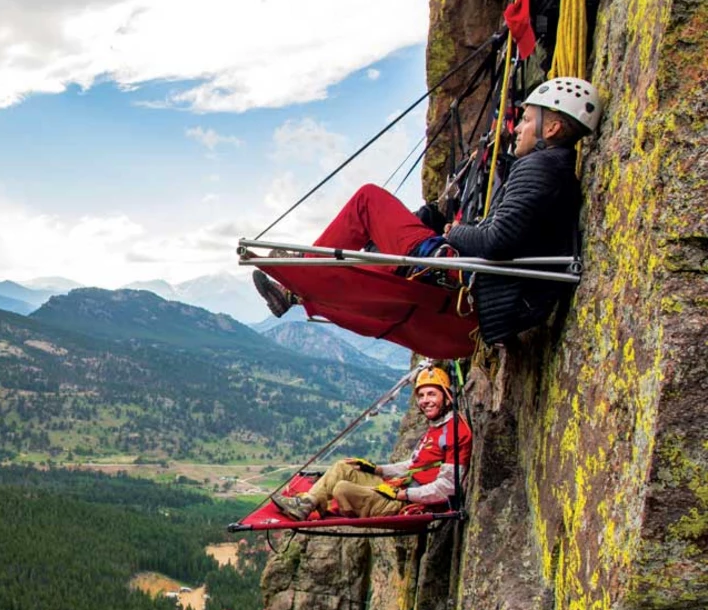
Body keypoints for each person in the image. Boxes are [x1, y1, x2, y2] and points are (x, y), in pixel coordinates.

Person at [253, 77, 603, 346]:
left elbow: (500, 239)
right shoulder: (552, 169)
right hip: (488, 291)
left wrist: (454, 233)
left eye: (527, 120)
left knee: (368, 201)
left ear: (553, 128)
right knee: (373, 258)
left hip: (463, 277)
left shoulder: (540, 167)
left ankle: (304, 280)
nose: (518, 128)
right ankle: (296, 290)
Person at [271, 366, 472, 519]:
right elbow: (412, 465)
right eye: (421, 395)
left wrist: (403, 494)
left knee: (342, 488)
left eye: (432, 394)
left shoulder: (455, 432)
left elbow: (448, 487)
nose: (425, 400)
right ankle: (306, 504)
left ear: (446, 398)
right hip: (399, 487)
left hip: (408, 501)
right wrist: (377, 470)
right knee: (343, 467)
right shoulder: (436, 428)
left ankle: (317, 505)